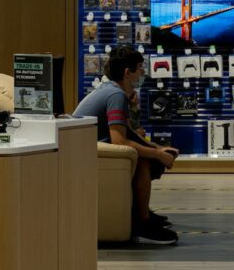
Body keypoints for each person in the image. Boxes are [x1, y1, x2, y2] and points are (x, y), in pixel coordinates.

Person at [73, 46, 180, 245]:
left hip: (88, 150)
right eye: (139, 68)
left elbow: (129, 133)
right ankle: (143, 222)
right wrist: (157, 155)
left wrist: (157, 148)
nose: (143, 72)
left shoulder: (112, 91)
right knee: (145, 162)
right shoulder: (115, 96)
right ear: (127, 72)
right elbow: (120, 142)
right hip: (92, 154)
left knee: (149, 155)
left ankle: (141, 211)